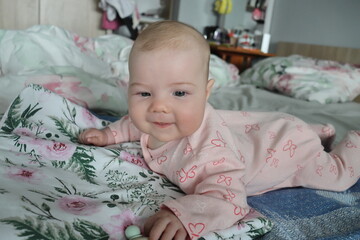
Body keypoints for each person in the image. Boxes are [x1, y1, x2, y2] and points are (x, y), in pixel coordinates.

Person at [79, 20, 360, 240]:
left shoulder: (209, 153)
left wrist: (185, 216)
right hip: (266, 129)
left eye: (179, 93)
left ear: (206, 92)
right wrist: (109, 135)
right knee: (275, 128)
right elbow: (134, 123)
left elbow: (228, 199)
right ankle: (317, 131)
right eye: (143, 94)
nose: (159, 107)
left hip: (288, 151)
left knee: (335, 175)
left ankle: (351, 141)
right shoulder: (157, 120)